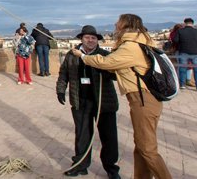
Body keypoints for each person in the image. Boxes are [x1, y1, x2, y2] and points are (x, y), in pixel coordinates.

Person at [73, 14, 172, 179]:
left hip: (143, 100)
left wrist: (83, 57)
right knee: (140, 146)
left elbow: (107, 63)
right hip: (142, 100)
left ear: (125, 25)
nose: (115, 25)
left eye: (118, 23)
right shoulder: (140, 42)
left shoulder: (130, 46)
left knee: (147, 149)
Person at [56, 26, 120, 178]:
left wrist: (106, 67)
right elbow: (63, 73)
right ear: (81, 39)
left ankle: (111, 169)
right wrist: (60, 89)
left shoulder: (104, 55)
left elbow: (116, 75)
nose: (90, 40)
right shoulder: (72, 56)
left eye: (93, 38)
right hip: (81, 101)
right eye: (87, 37)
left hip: (104, 102)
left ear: (97, 40)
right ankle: (80, 165)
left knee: (109, 137)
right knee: (82, 135)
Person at [173, 17, 197, 91]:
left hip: (183, 52)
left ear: (185, 23)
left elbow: (175, 40)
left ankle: (182, 85)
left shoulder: (180, 31)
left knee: (182, 68)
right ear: (192, 23)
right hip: (196, 53)